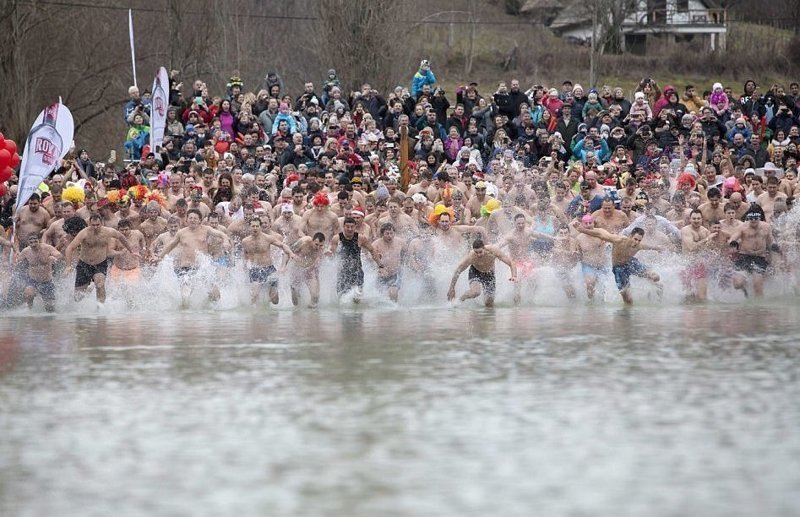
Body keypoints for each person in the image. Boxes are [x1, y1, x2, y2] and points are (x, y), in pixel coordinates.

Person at [572, 221, 663, 305]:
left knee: (655, 277)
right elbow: (600, 234)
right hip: (619, 269)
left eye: (639, 240)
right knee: (628, 300)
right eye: (635, 239)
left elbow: (650, 247)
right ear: (630, 236)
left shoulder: (639, 246)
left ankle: (653, 290)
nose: (636, 242)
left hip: (631, 263)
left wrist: (658, 248)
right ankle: (627, 317)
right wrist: (582, 230)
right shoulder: (619, 240)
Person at [156, 209, 232, 302]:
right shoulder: (181, 233)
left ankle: (214, 314)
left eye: (195, 218)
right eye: (190, 218)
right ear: (187, 220)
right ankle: (185, 315)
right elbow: (170, 245)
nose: (192, 220)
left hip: (203, 267)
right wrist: (159, 257)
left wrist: (225, 241)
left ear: (200, 220)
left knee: (215, 293)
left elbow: (221, 234)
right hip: (186, 269)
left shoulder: (206, 229)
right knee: (186, 295)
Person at [65, 214, 139, 304]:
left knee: (100, 285)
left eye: (97, 225)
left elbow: (121, 237)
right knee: (78, 295)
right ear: (89, 224)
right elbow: (70, 248)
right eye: (93, 225)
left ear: (101, 223)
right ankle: (78, 309)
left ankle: (100, 307)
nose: (95, 227)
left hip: (100, 263)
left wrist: (130, 250)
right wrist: (68, 266)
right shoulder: (84, 233)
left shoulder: (108, 231)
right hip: (84, 264)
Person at [241, 217, 297, 305]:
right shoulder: (245, 241)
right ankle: (254, 316)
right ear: (250, 227)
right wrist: (244, 267)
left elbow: (283, 246)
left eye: (257, 226)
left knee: (275, 300)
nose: (255, 228)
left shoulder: (267, 238)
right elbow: (245, 255)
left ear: (260, 227)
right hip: (255, 270)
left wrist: (291, 253)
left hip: (269, 269)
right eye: (253, 226)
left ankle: (267, 308)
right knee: (254, 295)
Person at [447, 238, 517, 307]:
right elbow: (458, 270)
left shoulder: (493, 251)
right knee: (475, 292)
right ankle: (460, 299)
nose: (478, 255)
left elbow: (511, 262)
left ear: (484, 248)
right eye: (476, 252)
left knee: (489, 303)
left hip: (489, 273)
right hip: (475, 272)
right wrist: (452, 288)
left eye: (480, 252)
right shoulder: (471, 256)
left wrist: (514, 276)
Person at [328, 216, 381, 303]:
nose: (350, 229)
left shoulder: (360, 238)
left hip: (357, 271)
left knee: (357, 298)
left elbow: (372, 250)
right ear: (344, 227)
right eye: (347, 227)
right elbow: (332, 256)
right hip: (342, 272)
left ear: (355, 227)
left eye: (352, 227)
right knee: (341, 299)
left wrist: (379, 264)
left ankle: (357, 316)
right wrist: (330, 255)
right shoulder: (337, 238)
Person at [729, 211, 773, 298]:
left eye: (755, 218)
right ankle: (746, 290)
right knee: (737, 284)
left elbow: (770, 243)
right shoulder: (742, 227)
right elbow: (732, 239)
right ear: (748, 218)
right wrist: (733, 243)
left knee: (758, 286)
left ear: (759, 217)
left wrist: (772, 256)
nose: (753, 220)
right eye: (751, 219)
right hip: (744, 256)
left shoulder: (766, 227)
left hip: (760, 257)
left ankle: (758, 309)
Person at [17, 234, 62, 312]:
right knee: (29, 292)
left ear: (39, 241)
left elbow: (59, 255)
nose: (33, 244)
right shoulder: (26, 251)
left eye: (35, 242)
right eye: (31, 242)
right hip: (32, 279)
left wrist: (54, 258)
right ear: (28, 243)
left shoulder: (47, 248)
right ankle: (30, 310)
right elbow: (18, 262)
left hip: (46, 281)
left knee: (50, 309)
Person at [574, 215, 610, 302]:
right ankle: (591, 301)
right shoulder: (579, 238)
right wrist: (576, 254)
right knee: (590, 283)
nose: (588, 225)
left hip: (602, 264)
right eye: (586, 223)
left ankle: (603, 302)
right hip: (588, 265)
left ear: (593, 223)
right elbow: (579, 254)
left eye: (590, 223)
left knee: (605, 286)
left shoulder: (601, 232)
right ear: (582, 225)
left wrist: (607, 244)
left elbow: (610, 239)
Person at [679, 209, 712, 301]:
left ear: (702, 219)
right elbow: (691, 247)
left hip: (700, 264)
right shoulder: (685, 230)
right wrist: (706, 240)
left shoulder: (705, 231)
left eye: (698, 218)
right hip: (687, 264)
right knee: (689, 297)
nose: (696, 221)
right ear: (690, 219)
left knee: (702, 297)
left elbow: (710, 250)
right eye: (694, 218)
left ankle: (703, 314)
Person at [371, 222, 406, 302]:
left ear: (394, 233)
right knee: (379, 297)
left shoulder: (400, 242)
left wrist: (402, 264)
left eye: (391, 233)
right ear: (382, 234)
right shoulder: (376, 244)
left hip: (395, 273)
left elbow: (406, 253)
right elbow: (369, 257)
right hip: (381, 274)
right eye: (387, 233)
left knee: (393, 292)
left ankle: (395, 311)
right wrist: (380, 267)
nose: (390, 236)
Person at [289, 233, 326, 307]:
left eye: (320, 245)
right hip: (297, 268)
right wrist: (286, 264)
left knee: (315, 296)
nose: (318, 247)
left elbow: (317, 265)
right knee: (295, 300)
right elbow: (289, 250)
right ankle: (296, 315)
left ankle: (310, 315)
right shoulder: (304, 241)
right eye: (316, 244)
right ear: (312, 240)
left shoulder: (322, 250)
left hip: (309, 270)